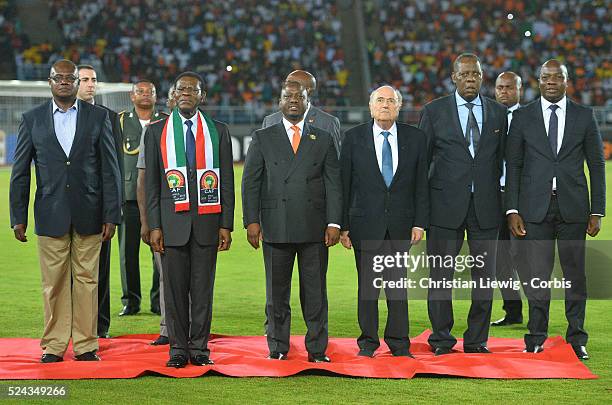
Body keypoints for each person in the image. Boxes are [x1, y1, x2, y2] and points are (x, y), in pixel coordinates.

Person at [9, 59, 122, 362]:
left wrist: (112, 214)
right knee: (54, 283)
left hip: (91, 213)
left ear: (76, 83)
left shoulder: (98, 117)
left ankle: (86, 344)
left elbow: (110, 170)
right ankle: (54, 346)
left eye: (69, 78)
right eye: (58, 78)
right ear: (49, 82)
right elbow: (20, 172)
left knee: (88, 281)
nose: (63, 82)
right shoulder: (32, 119)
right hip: (50, 213)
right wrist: (18, 216)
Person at [506, 59, 606, 360]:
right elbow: (514, 165)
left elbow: (597, 165)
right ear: (539, 80)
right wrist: (512, 209)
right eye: (546, 77)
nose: (551, 81)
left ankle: (577, 338)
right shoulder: (523, 117)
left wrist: (597, 210)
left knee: (575, 275)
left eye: (557, 77)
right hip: (534, 210)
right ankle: (536, 336)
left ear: (566, 80)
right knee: (538, 275)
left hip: (574, 209)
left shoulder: (584, 116)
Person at [242, 80, 342, 362]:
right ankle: (277, 347)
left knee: (315, 294)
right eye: (289, 96)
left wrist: (334, 222)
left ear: (308, 102)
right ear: (280, 102)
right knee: (276, 294)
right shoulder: (263, 136)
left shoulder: (322, 138)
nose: (294, 100)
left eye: (300, 96)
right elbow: (251, 182)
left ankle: (317, 349)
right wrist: (251, 220)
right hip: (276, 226)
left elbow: (334, 184)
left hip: (315, 228)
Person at [418, 53, 507, 355]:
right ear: (454, 77)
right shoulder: (434, 111)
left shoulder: (498, 113)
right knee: (440, 277)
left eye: (476, 75)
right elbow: (421, 163)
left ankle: (477, 340)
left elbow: (504, 162)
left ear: (483, 77)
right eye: (465, 74)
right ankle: (441, 339)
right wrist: (421, 211)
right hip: (444, 207)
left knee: (484, 279)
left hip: (486, 206)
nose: (471, 79)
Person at [145, 72, 234, 368]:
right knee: (173, 292)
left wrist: (226, 224)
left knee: (203, 291)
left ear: (202, 96)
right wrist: (154, 225)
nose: (186, 93)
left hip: (208, 225)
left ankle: (199, 348)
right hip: (171, 226)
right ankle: (178, 349)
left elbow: (228, 183)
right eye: (180, 89)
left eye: (192, 90)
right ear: (172, 95)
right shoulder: (156, 132)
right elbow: (153, 186)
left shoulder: (218, 131)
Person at [339, 85, 428, 358]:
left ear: (399, 106)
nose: (385, 105)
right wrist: (343, 226)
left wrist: (419, 223)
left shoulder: (416, 138)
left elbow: (421, 184)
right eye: (380, 100)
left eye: (391, 101)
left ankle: (400, 345)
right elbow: (345, 184)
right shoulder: (353, 137)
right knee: (367, 290)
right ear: (371, 106)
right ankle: (367, 344)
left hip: (401, 227)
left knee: (398, 290)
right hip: (364, 226)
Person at [76, 64, 123, 336]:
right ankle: (74, 324)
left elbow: (113, 168)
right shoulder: (62, 117)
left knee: (101, 270)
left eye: (93, 79)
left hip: (98, 209)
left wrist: (111, 212)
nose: (90, 84)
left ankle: (100, 325)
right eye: (85, 79)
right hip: (71, 206)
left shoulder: (108, 117)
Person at [118, 80, 166, 317]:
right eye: (141, 91)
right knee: (127, 252)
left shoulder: (166, 120)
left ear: (156, 96)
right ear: (132, 96)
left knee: (160, 250)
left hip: (157, 196)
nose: (145, 95)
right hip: (127, 197)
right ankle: (131, 302)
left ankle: (159, 301)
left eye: (150, 92)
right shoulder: (120, 121)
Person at [137, 85, 173, 346]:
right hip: (164, 217)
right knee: (167, 275)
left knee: (197, 277)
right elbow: (143, 180)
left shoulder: (207, 132)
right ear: (169, 100)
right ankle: (168, 328)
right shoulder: (153, 132)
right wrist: (146, 221)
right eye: (176, 92)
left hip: (197, 218)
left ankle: (195, 328)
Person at [491, 71, 524, 327]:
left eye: (509, 87)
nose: (504, 91)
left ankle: (537, 311)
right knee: (499, 258)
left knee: (524, 257)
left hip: (523, 198)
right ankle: (512, 310)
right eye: (500, 87)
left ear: (519, 90)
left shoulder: (530, 118)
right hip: (493, 196)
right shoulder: (488, 117)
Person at [262, 70, 342, 157]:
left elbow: (334, 163)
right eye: (286, 83)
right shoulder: (270, 121)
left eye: (292, 83)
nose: (286, 86)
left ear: (308, 91)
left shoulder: (327, 122)